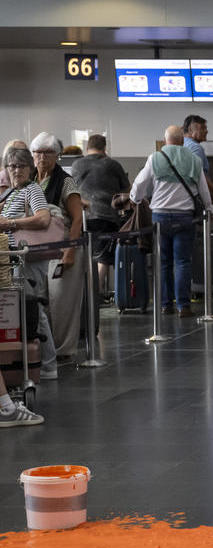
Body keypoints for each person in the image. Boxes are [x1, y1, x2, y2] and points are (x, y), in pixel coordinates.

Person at [129, 125, 212, 317]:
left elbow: (140, 183)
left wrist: (135, 199)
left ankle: (166, 304)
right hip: (185, 217)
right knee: (182, 262)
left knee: (163, 262)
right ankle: (184, 306)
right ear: (182, 140)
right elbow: (203, 189)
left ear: (165, 140)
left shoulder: (155, 158)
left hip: (160, 217)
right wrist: (208, 209)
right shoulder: (194, 159)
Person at [31, 132, 86, 375]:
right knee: (40, 301)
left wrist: (70, 252)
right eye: (38, 153)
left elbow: (76, 219)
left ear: (57, 156)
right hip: (37, 250)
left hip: (63, 246)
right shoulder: (30, 181)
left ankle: (64, 351)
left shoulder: (66, 181)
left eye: (48, 153)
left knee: (62, 302)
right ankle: (45, 352)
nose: (42, 157)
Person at [1, 146, 54, 384]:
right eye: (12, 166)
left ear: (30, 169)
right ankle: (32, 363)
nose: (17, 170)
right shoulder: (11, 192)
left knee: (33, 309)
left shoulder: (31, 190)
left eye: (22, 166)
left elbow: (43, 218)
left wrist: (10, 222)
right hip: (13, 258)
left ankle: (49, 364)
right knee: (25, 310)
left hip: (28, 257)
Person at [71, 134, 130, 302]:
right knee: (103, 258)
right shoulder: (113, 164)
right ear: (105, 148)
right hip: (107, 216)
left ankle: (87, 295)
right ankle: (96, 294)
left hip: (83, 217)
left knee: (86, 256)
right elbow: (127, 189)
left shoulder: (76, 165)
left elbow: (71, 190)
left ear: (87, 147)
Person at [183, 115, 213, 205]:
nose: (206, 131)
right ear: (190, 130)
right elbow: (200, 175)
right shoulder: (195, 147)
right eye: (202, 128)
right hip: (192, 200)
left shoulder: (182, 144)